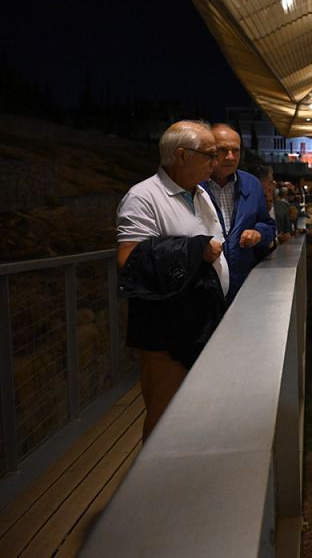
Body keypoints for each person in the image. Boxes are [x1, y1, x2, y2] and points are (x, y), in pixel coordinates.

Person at [116, 120, 229, 439]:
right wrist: (195, 249)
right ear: (181, 156)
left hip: (201, 321)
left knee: (195, 413)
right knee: (165, 414)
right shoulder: (143, 197)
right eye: (210, 154)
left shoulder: (200, 193)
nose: (216, 162)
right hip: (167, 329)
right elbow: (129, 260)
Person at [203, 124, 276, 303]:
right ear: (209, 150)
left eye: (236, 150)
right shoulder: (194, 184)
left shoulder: (251, 184)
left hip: (244, 285)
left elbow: (268, 225)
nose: (230, 156)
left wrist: (258, 233)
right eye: (223, 150)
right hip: (204, 289)